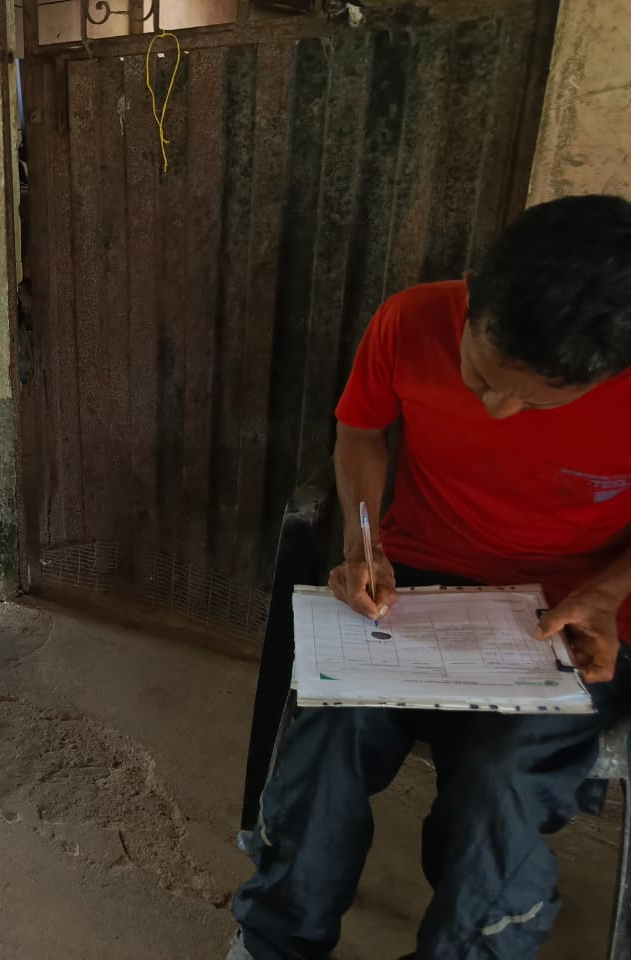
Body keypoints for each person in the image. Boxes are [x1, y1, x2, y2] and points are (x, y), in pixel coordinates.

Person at [229, 194, 631, 960]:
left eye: (536, 401)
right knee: (331, 733)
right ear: (473, 296)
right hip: (415, 585)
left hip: (576, 615)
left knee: (500, 780)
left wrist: (609, 593)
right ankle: (275, 942)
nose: (499, 409)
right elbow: (360, 430)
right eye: (483, 376)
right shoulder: (411, 320)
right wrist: (363, 541)